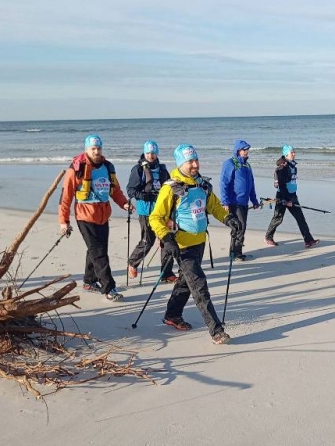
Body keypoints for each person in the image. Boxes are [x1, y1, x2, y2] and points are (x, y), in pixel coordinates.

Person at [149, 144, 243, 345]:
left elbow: (215, 207)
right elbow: (155, 218)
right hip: (181, 245)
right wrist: (166, 238)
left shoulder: (202, 185)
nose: (194, 165)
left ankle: (172, 315)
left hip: (199, 242)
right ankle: (216, 330)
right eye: (190, 161)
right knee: (199, 286)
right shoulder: (170, 188)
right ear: (181, 164)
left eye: (196, 160)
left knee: (185, 281)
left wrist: (228, 219)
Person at [59, 134, 132, 302]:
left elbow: (115, 190)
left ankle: (89, 280)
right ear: (86, 150)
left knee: (97, 250)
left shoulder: (108, 167)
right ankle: (109, 288)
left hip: (103, 215)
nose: (96, 151)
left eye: (99, 148)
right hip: (84, 215)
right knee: (99, 253)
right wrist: (64, 221)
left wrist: (124, 204)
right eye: (93, 149)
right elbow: (66, 197)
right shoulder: (76, 168)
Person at [126, 140, 177, 283]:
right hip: (146, 211)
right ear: (144, 153)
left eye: (153, 153)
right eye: (148, 153)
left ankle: (166, 273)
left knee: (167, 241)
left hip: (162, 211)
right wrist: (143, 195)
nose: (151, 156)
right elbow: (130, 190)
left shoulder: (162, 170)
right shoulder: (138, 169)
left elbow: (170, 188)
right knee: (148, 241)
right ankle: (133, 262)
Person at [265, 144, 319, 248]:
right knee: (278, 218)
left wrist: (291, 197)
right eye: (291, 152)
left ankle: (308, 240)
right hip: (283, 196)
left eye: (294, 152)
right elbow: (281, 184)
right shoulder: (283, 167)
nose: (294, 154)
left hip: (292, 196)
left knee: (300, 218)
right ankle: (268, 237)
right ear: (286, 154)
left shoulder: (292, 165)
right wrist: (286, 200)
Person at [219, 139, 260, 261]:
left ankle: (237, 251)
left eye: (247, 149)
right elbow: (224, 183)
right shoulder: (230, 163)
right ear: (238, 150)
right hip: (234, 202)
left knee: (242, 226)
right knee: (239, 226)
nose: (246, 152)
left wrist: (254, 200)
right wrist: (225, 201)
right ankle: (235, 253)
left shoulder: (247, 165)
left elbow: (251, 184)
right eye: (244, 150)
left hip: (244, 202)